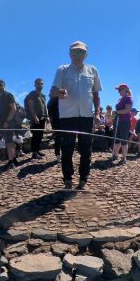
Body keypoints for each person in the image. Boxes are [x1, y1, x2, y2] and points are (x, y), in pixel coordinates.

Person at [52, 41, 101, 190]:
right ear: (70, 54)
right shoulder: (62, 70)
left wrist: (97, 113)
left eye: (80, 52)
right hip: (67, 116)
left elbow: (96, 96)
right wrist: (60, 92)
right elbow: (52, 91)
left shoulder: (93, 70)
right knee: (67, 149)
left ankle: (84, 178)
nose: (77, 55)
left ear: (86, 54)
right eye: (74, 52)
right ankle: (67, 179)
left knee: (86, 149)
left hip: (86, 116)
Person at [0, 78, 22, 168]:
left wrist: (7, 121)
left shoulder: (8, 95)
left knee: (9, 142)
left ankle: (11, 161)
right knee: (8, 142)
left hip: (9, 122)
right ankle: (13, 159)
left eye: (0, 84)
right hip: (4, 122)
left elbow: (13, 109)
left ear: (4, 85)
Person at [24, 78, 48, 160]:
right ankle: (34, 153)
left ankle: (37, 151)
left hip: (42, 117)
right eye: (38, 83)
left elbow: (45, 106)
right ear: (35, 85)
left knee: (40, 135)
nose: (39, 85)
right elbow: (31, 107)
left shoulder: (43, 96)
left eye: (41, 83)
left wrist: (47, 116)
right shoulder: (32, 94)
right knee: (35, 136)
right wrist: (35, 117)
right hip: (35, 119)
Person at [110, 84, 133, 164]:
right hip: (118, 120)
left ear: (125, 89)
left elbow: (127, 110)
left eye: (120, 89)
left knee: (123, 139)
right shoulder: (121, 99)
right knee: (117, 138)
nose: (119, 91)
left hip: (125, 121)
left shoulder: (128, 98)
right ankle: (115, 155)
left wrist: (116, 112)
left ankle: (124, 158)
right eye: (118, 90)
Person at [47, 85, 61, 162]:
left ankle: (58, 154)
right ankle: (58, 154)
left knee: (59, 139)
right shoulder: (53, 101)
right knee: (58, 139)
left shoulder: (51, 101)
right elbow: (51, 115)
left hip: (58, 121)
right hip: (57, 122)